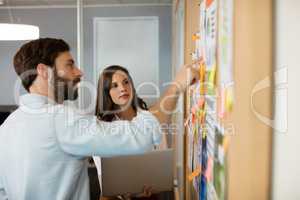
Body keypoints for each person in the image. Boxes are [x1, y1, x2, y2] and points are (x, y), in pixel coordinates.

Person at [0, 38, 198, 200]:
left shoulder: (7, 127)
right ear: (43, 71)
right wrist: (177, 85)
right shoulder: (60, 120)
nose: (79, 72)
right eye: (70, 65)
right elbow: (141, 134)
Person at [93, 65, 168, 199]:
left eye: (126, 82)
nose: (122, 88)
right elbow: (103, 176)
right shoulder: (101, 127)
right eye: (114, 85)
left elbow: (162, 161)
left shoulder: (150, 118)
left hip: (150, 195)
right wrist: (124, 193)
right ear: (106, 92)